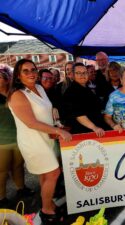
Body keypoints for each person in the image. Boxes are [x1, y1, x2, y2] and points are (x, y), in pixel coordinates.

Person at [8, 59, 72, 223]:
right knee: (54, 172)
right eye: (25, 71)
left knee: (46, 174)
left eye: (33, 69)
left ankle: (47, 203)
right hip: (33, 141)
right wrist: (57, 131)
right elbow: (31, 123)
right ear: (18, 75)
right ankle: (47, 210)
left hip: (47, 138)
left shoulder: (38, 87)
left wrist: (56, 126)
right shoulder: (17, 94)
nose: (31, 73)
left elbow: (47, 112)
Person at [0, 65, 34, 207]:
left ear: (7, 79)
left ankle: (21, 189)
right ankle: (1, 197)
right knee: (2, 170)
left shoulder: (15, 94)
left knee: (18, 166)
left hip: (19, 137)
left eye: (1, 77)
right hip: (2, 141)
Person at [63, 63, 106, 135]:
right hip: (83, 133)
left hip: (95, 131)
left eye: (84, 72)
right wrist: (94, 127)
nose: (82, 75)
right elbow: (79, 115)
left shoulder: (87, 88)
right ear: (73, 75)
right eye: (78, 73)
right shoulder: (71, 92)